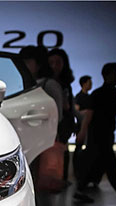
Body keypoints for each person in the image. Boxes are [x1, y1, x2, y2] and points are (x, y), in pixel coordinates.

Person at [20, 45, 63, 206]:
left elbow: (57, 115)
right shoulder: (27, 84)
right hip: (28, 144)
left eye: (28, 61)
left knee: (43, 191)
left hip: (45, 145)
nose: (25, 65)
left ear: (37, 63)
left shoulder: (49, 85)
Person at [75, 63, 116, 206]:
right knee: (110, 166)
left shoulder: (104, 94)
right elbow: (89, 115)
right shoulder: (102, 94)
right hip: (100, 137)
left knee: (99, 165)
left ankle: (80, 189)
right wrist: (82, 132)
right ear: (108, 75)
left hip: (102, 136)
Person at [48, 49, 76, 183]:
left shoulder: (65, 84)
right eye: (51, 62)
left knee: (62, 153)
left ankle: (61, 180)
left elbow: (69, 106)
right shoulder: (48, 83)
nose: (55, 66)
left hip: (64, 126)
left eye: (58, 62)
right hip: (53, 125)